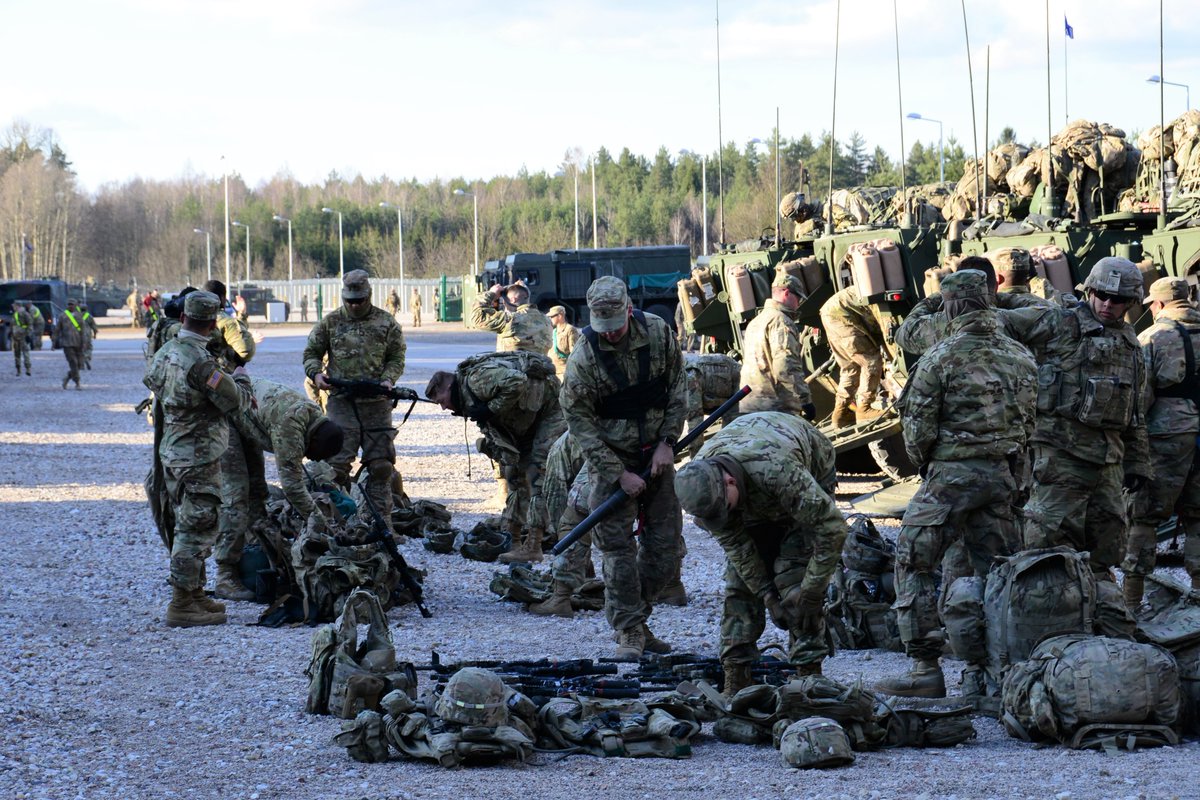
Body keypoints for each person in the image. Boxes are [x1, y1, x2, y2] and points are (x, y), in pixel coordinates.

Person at [874, 270, 1037, 698]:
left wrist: (933, 467)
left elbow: (917, 433)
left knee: (914, 561)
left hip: (949, 478)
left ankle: (925, 669)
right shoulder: (1020, 356)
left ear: (950, 305)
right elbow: (1029, 424)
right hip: (1002, 477)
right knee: (1000, 574)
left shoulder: (939, 357)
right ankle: (1000, 677)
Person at [674, 412, 847, 695]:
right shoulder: (703, 489)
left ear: (729, 481)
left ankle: (809, 674)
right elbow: (740, 550)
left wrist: (813, 592)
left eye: (724, 510)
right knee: (739, 585)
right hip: (754, 478)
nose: (723, 517)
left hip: (807, 465)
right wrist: (767, 595)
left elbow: (832, 529)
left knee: (795, 582)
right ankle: (736, 675)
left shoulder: (778, 472)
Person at [560, 276, 685, 659]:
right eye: (603, 330)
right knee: (617, 552)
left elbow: (679, 388)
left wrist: (668, 444)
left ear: (629, 311)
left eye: (616, 328)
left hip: (658, 458)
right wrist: (619, 474)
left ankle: (638, 616)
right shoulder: (584, 357)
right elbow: (579, 424)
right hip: (611, 463)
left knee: (666, 549)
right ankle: (629, 628)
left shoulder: (659, 334)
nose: (610, 336)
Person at [1004, 257, 1150, 578]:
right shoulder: (1061, 324)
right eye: (1102, 295)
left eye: (1119, 299)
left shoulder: (1130, 345)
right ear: (1090, 292)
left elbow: (1134, 411)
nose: (1108, 304)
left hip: (1108, 466)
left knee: (1106, 550)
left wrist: (1138, 463)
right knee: (1046, 550)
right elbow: (1001, 324)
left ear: (1131, 302)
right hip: (1059, 460)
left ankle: (1098, 613)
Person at [143, 291, 253, 627]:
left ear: (184, 318)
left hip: (173, 450)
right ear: (211, 323)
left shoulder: (166, 351)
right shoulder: (202, 364)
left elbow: (154, 385)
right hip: (199, 454)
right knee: (196, 526)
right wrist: (242, 381)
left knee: (187, 519)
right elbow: (237, 401)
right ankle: (181, 604)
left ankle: (194, 593)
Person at [426, 350, 565, 563]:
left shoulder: (476, 379)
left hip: (551, 411)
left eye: (442, 400)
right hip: (528, 420)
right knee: (514, 474)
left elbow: (517, 381)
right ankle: (514, 540)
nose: (444, 407)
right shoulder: (466, 396)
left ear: (448, 386)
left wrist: (490, 408)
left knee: (537, 474)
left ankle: (534, 546)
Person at [218, 377, 345, 598]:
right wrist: (319, 522)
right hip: (227, 417)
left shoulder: (314, 417)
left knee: (257, 492)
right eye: (309, 453)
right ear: (311, 441)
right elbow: (292, 486)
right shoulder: (292, 427)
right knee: (236, 497)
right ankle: (225, 575)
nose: (307, 456)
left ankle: (258, 552)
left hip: (247, 417)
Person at [303, 269, 407, 530]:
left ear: (369, 296)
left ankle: (381, 524)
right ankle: (335, 524)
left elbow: (396, 357)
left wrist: (388, 379)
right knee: (335, 466)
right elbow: (311, 353)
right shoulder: (330, 322)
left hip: (376, 403)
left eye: (359, 300)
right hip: (341, 402)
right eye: (350, 300)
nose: (354, 305)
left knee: (381, 466)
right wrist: (316, 375)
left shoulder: (387, 323)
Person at [1124, 277, 1200, 604]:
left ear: (1157, 305)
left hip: (1167, 436)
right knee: (1198, 516)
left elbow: (1140, 398)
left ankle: (1130, 602)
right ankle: (1198, 594)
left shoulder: (1154, 337)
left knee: (1144, 517)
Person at [894, 252, 1054, 357]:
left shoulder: (944, 322)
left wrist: (940, 295)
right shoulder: (1019, 315)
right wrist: (1000, 297)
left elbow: (903, 335)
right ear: (996, 284)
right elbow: (1051, 310)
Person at [739, 272, 814, 419]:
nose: (798, 304)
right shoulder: (780, 321)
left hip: (751, 402)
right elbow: (785, 366)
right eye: (798, 298)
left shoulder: (757, 320)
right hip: (774, 406)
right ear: (786, 293)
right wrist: (804, 401)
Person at [819, 285, 886, 427]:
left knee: (850, 368)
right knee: (870, 361)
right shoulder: (882, 292)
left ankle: (840, 414)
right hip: (842, 315)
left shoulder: (874, 283)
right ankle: (864, 408)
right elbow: (883, 325)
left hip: (830, 313)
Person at [470, 281, 553, 353]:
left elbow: (477, 318)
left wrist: (491, 294)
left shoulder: (511, 320)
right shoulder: (546, 320)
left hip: (513, 369)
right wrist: (524, 293)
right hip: (541, 369)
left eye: (504, 301)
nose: (504, 304)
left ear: (513, 300)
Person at [55, 299, 86, 390]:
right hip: (67, 343)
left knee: (80, 364)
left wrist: (84, 342)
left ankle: (67, 378)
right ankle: (77, 383)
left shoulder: (79, 316)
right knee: (73, 363)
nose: (70, 306)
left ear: (76, 305)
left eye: (72, 304)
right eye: (69, 304)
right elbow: (57, 329)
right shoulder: (62, 316)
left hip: (78, 342)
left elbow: (83, 330)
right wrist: (54, 342)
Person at [546, 305, 580, 379]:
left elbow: (574, 352)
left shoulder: (570, 329)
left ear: (560, 316)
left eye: (552, 317)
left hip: (565, 371)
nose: (550, 319)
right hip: (553, 371)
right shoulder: (554, 331)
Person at [10, 301, 32, 376]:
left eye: (14, 306)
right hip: (16, 337)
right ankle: (18, 370)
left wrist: (28, 335)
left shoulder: (25, 313)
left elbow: (30, 324)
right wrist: (11, 333)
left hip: (23, 336)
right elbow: (12, 325)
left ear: (18, 306)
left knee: (25, 353)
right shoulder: (15, 314)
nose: (13, 307)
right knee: (17, 354)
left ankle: (28, 369)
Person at [78, 300, 99, 370]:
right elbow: (94, 327)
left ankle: (81, 364)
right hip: (87, 334)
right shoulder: (89, 316)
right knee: (89, 348)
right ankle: (87, 358)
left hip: (78, 334)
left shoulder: (76, 316)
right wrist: (95, 334)